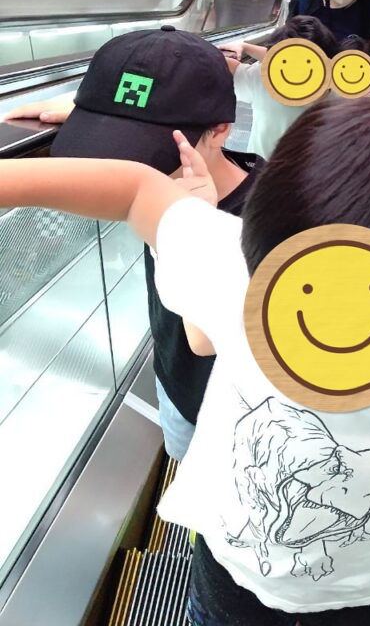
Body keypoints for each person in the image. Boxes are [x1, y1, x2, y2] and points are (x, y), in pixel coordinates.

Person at [3, 99, 370, 625]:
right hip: (285, 572)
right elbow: (135, 189)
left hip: (344, 582)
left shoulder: (240, 274)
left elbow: (136, 192)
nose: (344, 357)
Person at [4, 27, 264, 462]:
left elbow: (210, 340)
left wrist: (192, 229)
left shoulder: (268, 220)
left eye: (143, 153)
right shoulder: (181, 178)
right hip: (174, 382)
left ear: (220, 130)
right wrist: (104, 113)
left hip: (233, 420)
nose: (117, 167)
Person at [220, 16, 338, 160]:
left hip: (269, 169)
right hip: (274, 171)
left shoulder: (264, 80)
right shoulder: (264, 79)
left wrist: (245, 46)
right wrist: (244, 46)